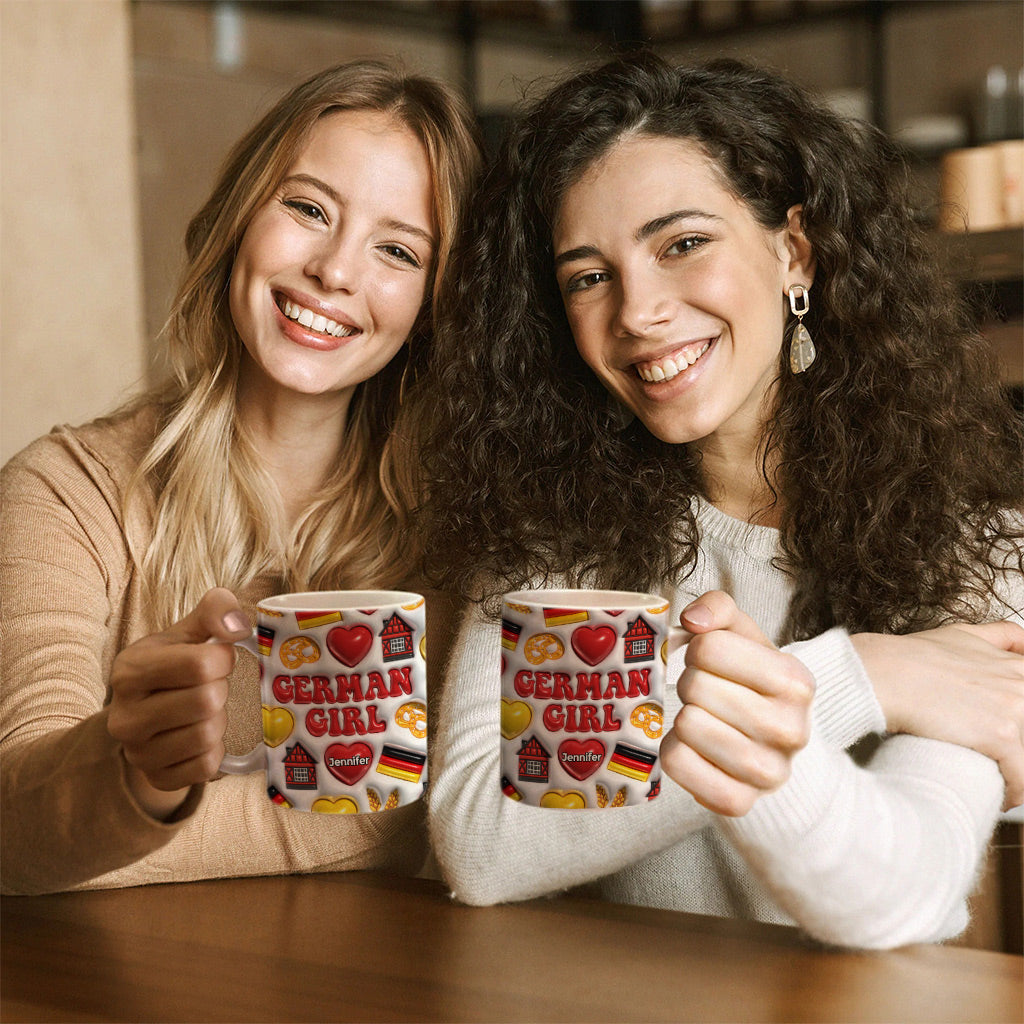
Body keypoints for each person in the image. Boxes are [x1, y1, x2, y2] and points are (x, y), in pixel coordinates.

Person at [415, 53, 1024, 949]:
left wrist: (762, 697)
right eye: (588, 276)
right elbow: (480, 843)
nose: (637, 311)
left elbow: (901, 891)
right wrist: (857, 676)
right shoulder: (551, 540)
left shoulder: (978, 544)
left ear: (794, 252)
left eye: (682, 244)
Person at [0, 60, 482, 895]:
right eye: (307, 209)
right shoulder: (64, 492)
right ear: (238, 220)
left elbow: (417, 808)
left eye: (397, 250)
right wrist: (137, 776)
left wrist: (125, 831)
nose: (335, 270)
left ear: (434, 304)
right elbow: (16, 824)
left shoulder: (460, 534)